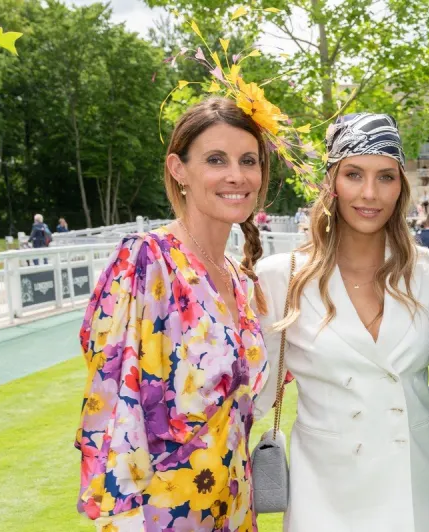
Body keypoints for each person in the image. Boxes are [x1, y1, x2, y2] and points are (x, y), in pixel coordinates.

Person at [75, 96, 274, 530]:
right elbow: (115, 396)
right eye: (216, 160)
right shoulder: (148, 261)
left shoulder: (240, 280)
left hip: (234, 504)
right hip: (165, 509)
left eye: (248, 161)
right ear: (178, 169)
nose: (236, 176)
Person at [255, 113, 429, 531]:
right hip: (323, 500)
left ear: (401, 186)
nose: (370, 193)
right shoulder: (280, 277)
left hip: (415, 497)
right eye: (353, 174)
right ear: (331, 183)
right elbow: (252, 398)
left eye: (386, 176)